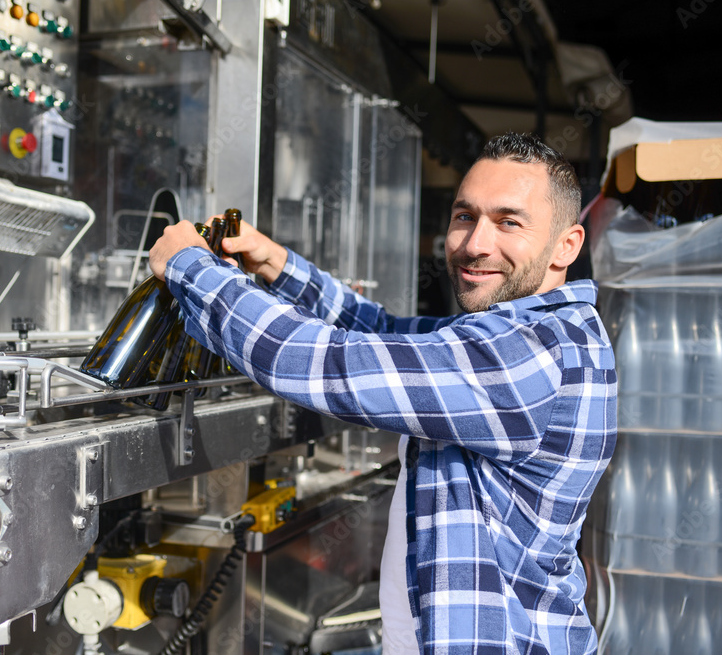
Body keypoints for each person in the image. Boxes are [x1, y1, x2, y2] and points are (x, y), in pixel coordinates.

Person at [148, 133, 617, 654]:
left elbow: (322, 363)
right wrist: (275, 265)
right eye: (465, 216)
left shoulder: (529, 355)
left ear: (566, 246)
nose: (475, 243)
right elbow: (385, 333)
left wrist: (191, 268)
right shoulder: (537, 331)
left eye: (509, 222)